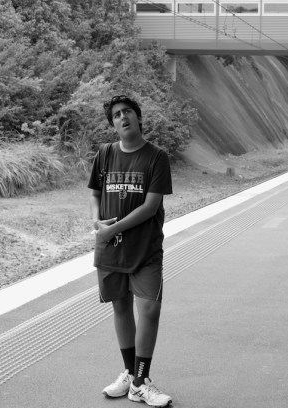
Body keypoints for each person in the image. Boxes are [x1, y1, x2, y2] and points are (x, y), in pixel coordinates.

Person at [88, 95, 174, 406]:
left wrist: (113, 228)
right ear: (112, 124)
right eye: (116, 115)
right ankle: (128, 374)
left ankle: (140, 380)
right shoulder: (105, 154)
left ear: (138, 117)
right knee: (121, 307)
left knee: (149, 308)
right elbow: (96, 194)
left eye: (127, 113)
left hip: (145, 249)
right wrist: (98, 222)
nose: (123, 118)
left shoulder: (156, 157)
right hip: (110, 248)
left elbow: (151, 207)